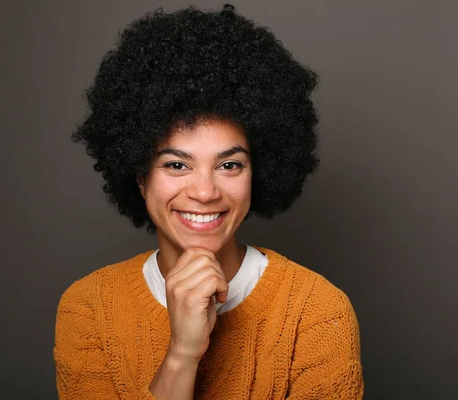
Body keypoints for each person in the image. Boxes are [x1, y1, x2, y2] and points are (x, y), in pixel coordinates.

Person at [54, 4, 363, 399]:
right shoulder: (89, 308)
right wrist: (182, 355)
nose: (204, 192)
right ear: (139, 176)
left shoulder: (316, 312)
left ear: (259, 172)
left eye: (229, 164)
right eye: (177, 164)